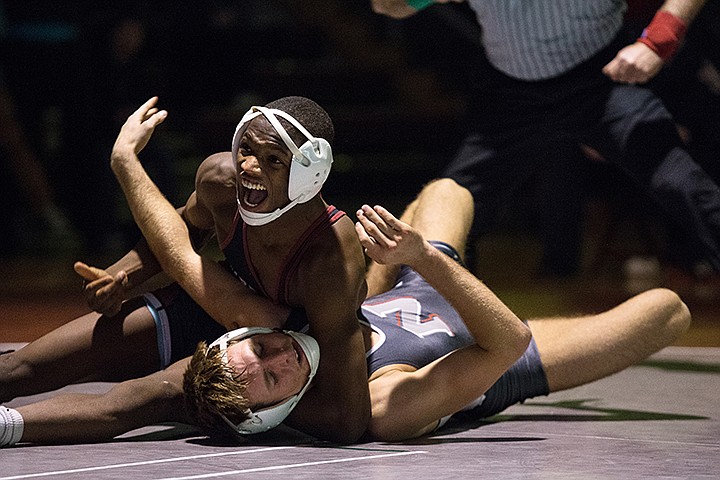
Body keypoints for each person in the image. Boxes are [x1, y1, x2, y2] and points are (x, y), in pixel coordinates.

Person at [1, 161, 690, 445]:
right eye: (276, 379)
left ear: (239, 339)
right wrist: (423, 260)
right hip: (489, 347)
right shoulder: (383, 408)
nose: (280, 359)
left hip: (406, 296)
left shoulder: (271, 334)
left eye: (262, 353)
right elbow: (503, 341)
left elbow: (182, 265)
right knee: (663, 309)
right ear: (276, 413)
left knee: (451, 189)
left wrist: (10, 427)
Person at [75, 94, 371, 443]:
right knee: (26, 367)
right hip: (217, 309)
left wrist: (241, 408)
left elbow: (347, 420)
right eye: (246, 148)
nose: (248, 166)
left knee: (149, 398)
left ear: (310, 173)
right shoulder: (223, 182)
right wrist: (121, 279)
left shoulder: (327, 256)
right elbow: (179, 231)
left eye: (272, 159)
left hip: (274, 355)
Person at [370, 0, 720, 279]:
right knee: (456, 202)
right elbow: (386, 6)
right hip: (512, 93)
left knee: (682, 183)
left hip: (601, 80)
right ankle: (429, 324)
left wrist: (658, 42)